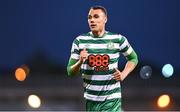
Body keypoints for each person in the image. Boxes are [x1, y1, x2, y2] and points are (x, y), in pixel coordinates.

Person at [67, 6, 138, 111]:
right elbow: (70, 71)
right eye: (89, 17)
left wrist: (123, 74)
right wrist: (80, 61)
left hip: (112, 99)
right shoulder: (79, 41)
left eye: (96, 17)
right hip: (91, 100)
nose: (92, 20)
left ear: (105, 19)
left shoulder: (117, 39)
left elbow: (133, 58)